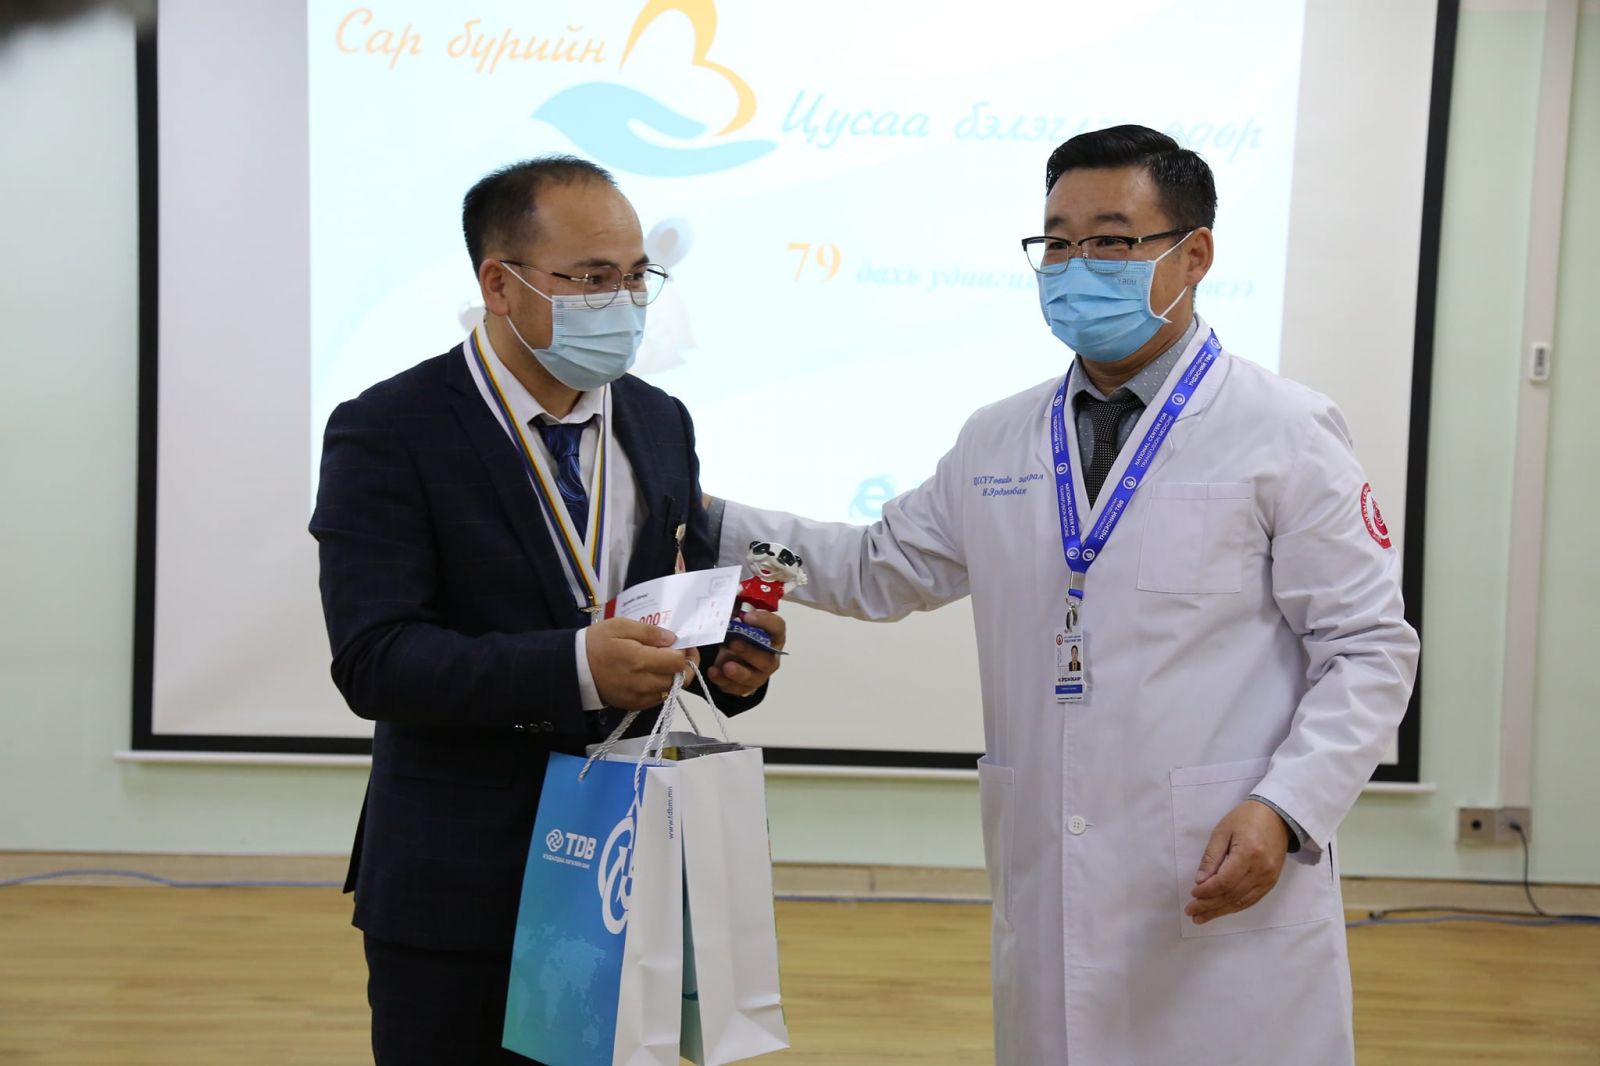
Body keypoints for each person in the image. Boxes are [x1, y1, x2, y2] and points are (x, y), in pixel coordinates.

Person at [707, 126, 1418, 1064]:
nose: (1077, 267)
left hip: (1222, 859)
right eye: (1057, 242)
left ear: (1194, 255)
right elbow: (876, 567)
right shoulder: (999, 437)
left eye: (1112, 241)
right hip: (1054, 875)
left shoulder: (1282, 429)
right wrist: (698, 514)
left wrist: (1286, 808)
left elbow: (1368, 647)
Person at [310, 155, 784, 1066]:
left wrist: (727, 662)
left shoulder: (659, 420)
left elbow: (665, 598)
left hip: (624, 873)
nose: (625, 301)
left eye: (638, 276)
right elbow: (376, 658)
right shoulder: (389, 429)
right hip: (459, 881)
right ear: (500, 284)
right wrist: (575, 667)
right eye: (593, 278)